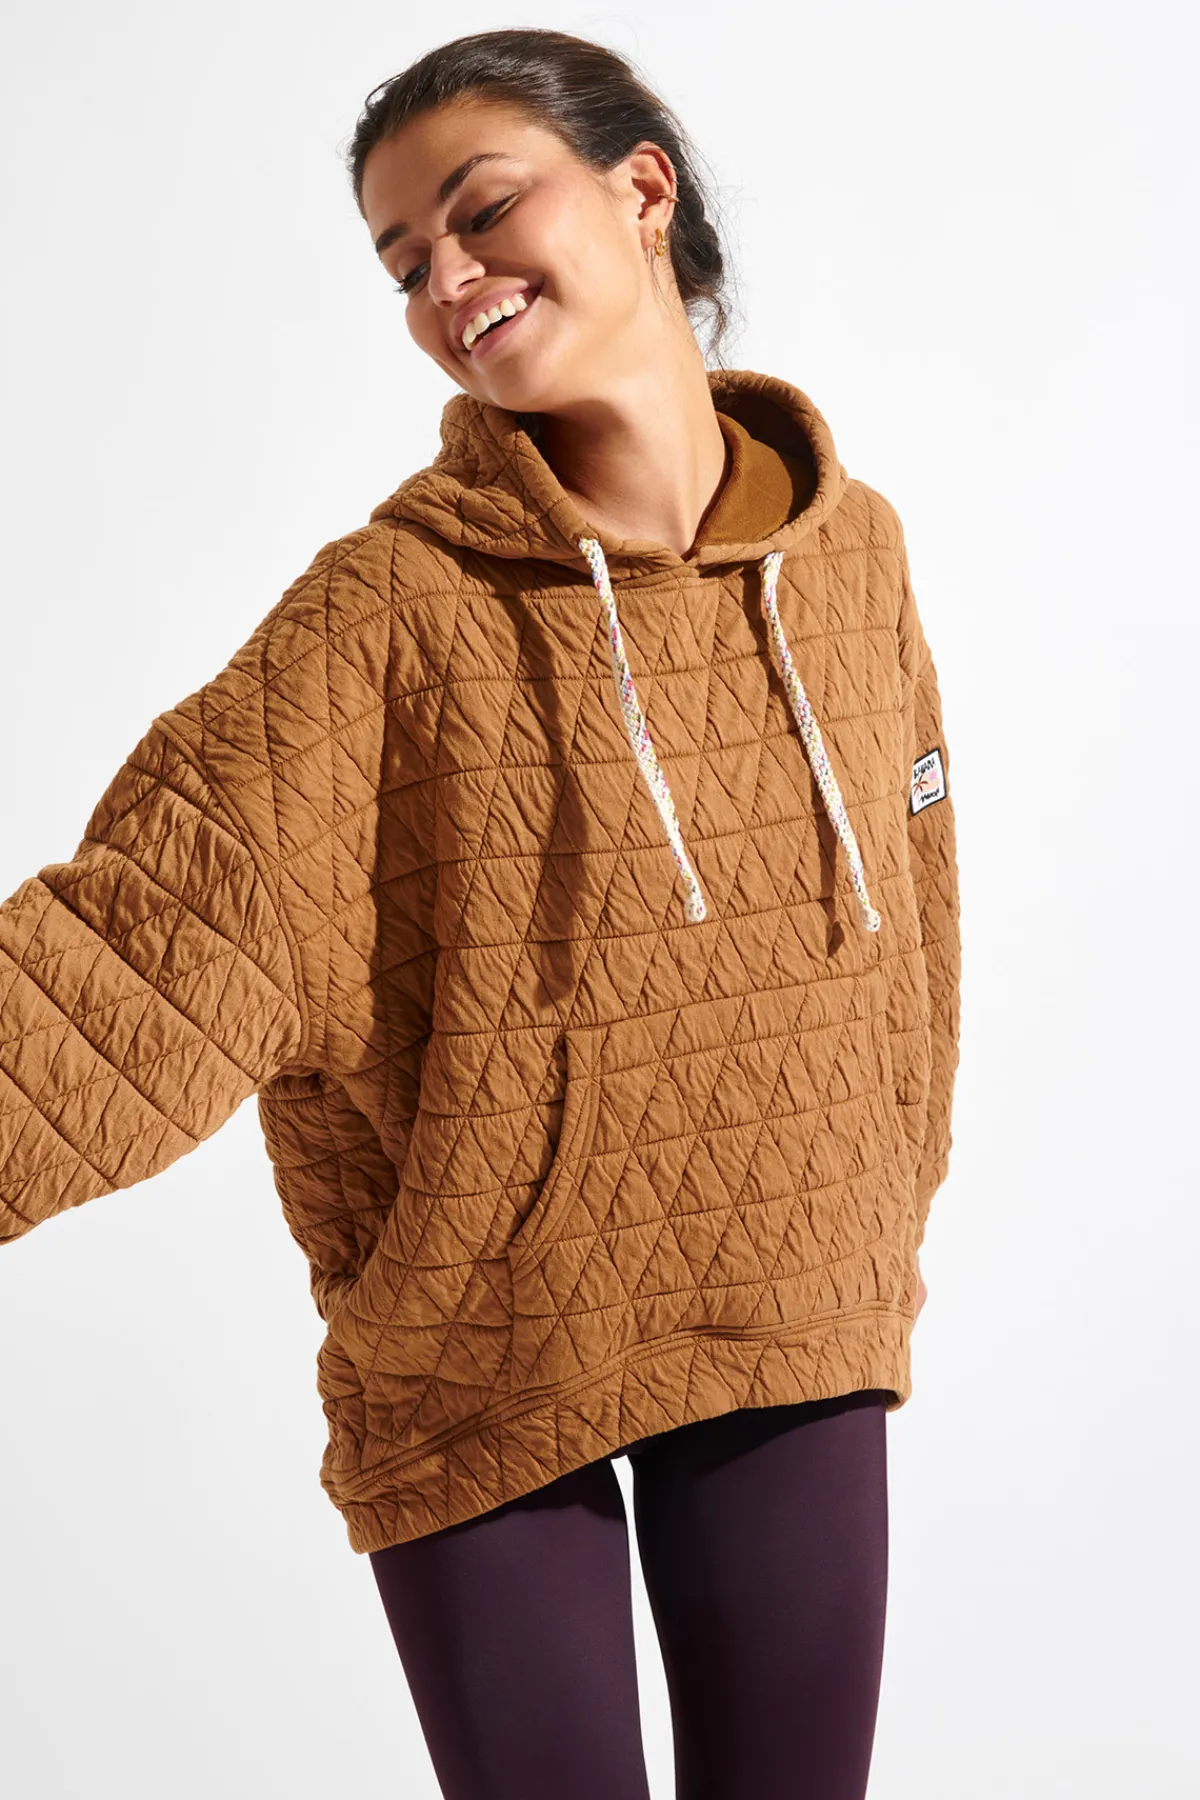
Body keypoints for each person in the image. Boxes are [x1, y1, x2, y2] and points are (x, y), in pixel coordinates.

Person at [0, 26, 961, 1800]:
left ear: (643, 188)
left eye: (481, 210)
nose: (446, 281)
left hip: (798, 1298)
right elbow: (130, 958)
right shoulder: (387, 616)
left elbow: (922, 927)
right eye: (402, 263)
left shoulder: (854, 558)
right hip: (481, 1362)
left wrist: (885, 1202)